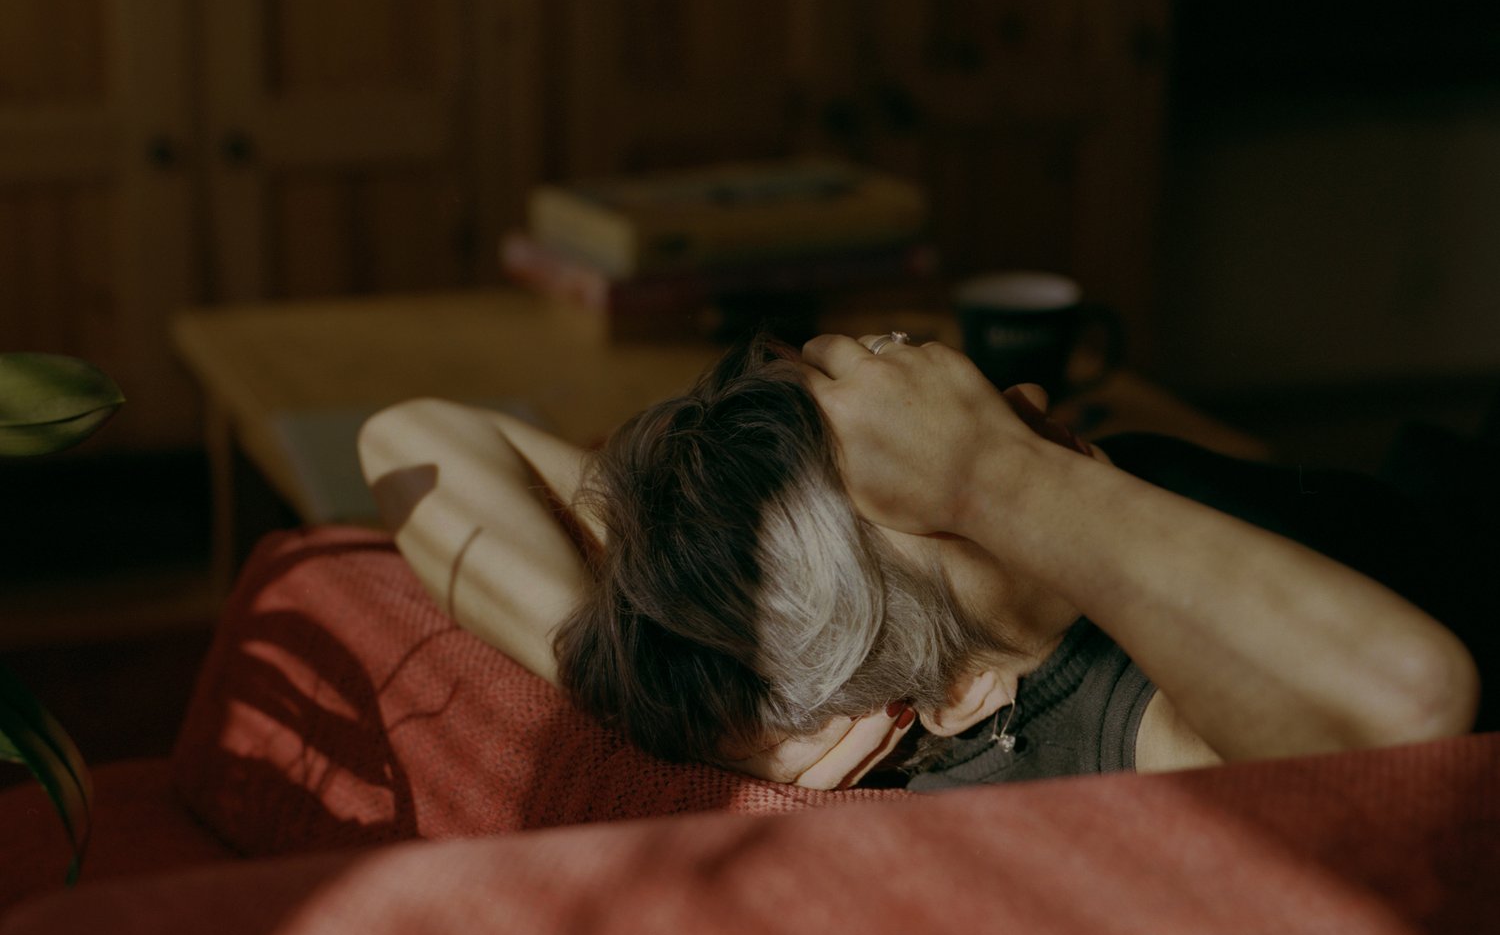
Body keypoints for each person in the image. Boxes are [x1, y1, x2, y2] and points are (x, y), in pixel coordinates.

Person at [357, 331, 1484, 792]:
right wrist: (996, 473)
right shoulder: (1118, 722)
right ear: (959, 693)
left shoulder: (810, 611)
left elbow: (410, 439)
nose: (1025, 401)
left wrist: (644, 678)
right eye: (927, 481)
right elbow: (1410, 701)